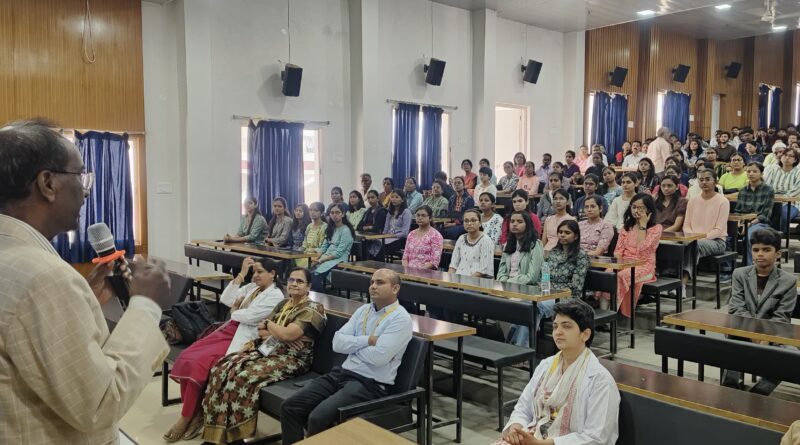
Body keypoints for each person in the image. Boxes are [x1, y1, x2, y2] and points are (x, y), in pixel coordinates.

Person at [0, 119, 170, 443]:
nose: (86, 190)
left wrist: (85, 296)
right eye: (81, 176)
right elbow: (101, 403)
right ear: (47, 184)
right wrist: (146, 306)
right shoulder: (44, 279)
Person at [281, 269, 412, 444]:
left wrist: (352, 346)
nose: (373, 286)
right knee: (290, 406)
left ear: (395, 288)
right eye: (372, 282)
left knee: (318, 417)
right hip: (342, 373)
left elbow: (379, 357)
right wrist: (368, 341)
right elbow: (337, 344)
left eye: (380, 283)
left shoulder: (400, 319)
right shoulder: (364, 310)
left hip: (370, 383)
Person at [165, 257, 285, 442]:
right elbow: (226, 299)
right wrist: (242, 274)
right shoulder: (253, 288)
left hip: (242, 336)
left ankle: (186, 418)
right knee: (188, 356)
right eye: (254, 272)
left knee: (199, 363)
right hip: (229, 329)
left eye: (260, 272)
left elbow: (251, 316)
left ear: (273, 274)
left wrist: (235, 310)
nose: (256, 276)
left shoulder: (276, 295)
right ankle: (194, 413)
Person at [201, 267, 326, 443]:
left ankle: (238, 436)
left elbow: (287, 334)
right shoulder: (283, 304)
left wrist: (271, 326)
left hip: (293, 359)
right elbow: (262, 331)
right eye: (291, 280)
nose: (294, 284)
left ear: (309, 286)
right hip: (268, 350)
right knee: (223, 366)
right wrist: (279, 332)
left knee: (243, 377)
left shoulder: (313, 308)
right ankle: (218, 432)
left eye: (300, 281)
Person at [498, 300, 620, 445]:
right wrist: (515, 428)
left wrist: (543, 444)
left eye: (566, 326)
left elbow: (596, 438)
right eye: (555, 326)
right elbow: (523, 408)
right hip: (533, 436)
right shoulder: (546, 366)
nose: (558, 332)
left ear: (585, 334)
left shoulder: (600, 380)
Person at [722, 228, 797, 395]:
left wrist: (765, 338)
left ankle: (759, 394)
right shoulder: (740, 274)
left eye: (766, 249)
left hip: (773, 335)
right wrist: (754, 334)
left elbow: (782, 316)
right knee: (732, 344)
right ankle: (730, 389)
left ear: (777, 254)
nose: (760, 254)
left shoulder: (788, 281)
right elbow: (736, 308)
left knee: (791, 356)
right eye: (756, 250)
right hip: (742, 330)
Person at [602, 193, 662, 316]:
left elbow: (641, 250)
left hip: (644, 266)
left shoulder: (656, 228)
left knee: (620, 276)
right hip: (624, 263)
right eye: (634, 207)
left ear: (649, 210)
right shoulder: (627, 226)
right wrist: (618, 266)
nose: (636, 211)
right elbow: (618, 251)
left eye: (641, 208)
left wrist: (642, 225)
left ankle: (611, 314)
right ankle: (602, 315)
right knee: (607, 274)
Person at [500, 211, 546, 347]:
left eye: (519, 222)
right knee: (492, 303)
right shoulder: (509, 243)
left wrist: (509, 282)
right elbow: (501, 271)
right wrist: (504, 281)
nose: (515, 224)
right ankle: (508, 344)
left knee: (524, 308)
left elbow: (532, 276)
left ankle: (521, 348)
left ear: (528, 224)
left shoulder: (535, 244)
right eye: (513, 221)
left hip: (528, 289)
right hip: (508, 287)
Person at [681, 169, 729, 290]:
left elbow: (718, 229)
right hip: (693, 239)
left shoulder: (723, 201)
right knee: (671, 246)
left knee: (694, 246)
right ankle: (670, 279)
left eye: (708, 179)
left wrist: (696, 239)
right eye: (701, 180)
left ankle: (682, 283)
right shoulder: (693, 200)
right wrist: (691, 237)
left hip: (716, 241)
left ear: (715, 181)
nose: (704, 182)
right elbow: (686, 224)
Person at [735, 162, 775, 265]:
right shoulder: (743, 190)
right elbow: (738, 210)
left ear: (761, 174)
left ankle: (751, 267)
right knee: (725, 235)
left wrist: (750, 224)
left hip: (760, 223)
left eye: (755, 171)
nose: (751, 174)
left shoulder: (768, 190)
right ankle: (727, 269)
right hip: (744, 222)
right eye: (748, 171)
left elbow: (765, 215)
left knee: (751, 235)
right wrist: (740, 222)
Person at [311, 203, 355, 291]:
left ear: (342, 214)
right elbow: (323, 247)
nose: (334, 215)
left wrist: (320, 260)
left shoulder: (346, 230)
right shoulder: (331, 228)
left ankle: (323, 299)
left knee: (314, 278)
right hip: (326, 257)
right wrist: (316, 258)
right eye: (332, 213)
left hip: (338, 259)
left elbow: (338, 253)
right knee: (307, 275)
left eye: (337, 212)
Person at [448, 208, 496, 278]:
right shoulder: (461, 238)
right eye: (466, 221)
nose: (469, 224)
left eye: (473, 220)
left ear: (480, 223)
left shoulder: (486, 241)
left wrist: (464, 283)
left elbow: (483, 270)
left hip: (477, 282)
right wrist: (450, 280)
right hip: (458, 280)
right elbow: (453, 265)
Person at [548, 220, 590, 298]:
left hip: (568, 297)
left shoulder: (581, 255)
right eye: (560, 232)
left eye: (567, 233)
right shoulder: (553, 252)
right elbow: (544, 275)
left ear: (576, 236)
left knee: (539, 306)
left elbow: (576, 286)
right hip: (548, 293)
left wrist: (554, 291)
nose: (562, 235)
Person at [764, 147, 800, 231]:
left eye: (790, 156)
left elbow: (798, 189)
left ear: (795, 160)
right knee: (762, 215)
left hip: (791, 203)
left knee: (783, 216)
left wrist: (782, 198)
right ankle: (764, 237)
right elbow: (766, 186)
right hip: (771, 201)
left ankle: (775, 237)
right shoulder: (772, 169)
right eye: (785, 155)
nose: (787, 158)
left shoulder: (798, 172)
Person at [402, 205, 444, 270]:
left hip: (426, 272)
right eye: (418, 215)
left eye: (423, 215)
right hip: (409, 271)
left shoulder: (436, 235)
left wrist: (418, 271)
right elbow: (405, 257)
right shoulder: (411, 234)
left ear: (430, 218)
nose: (420, 218)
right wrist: (407, 270)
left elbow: (434, 261)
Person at [541, 189, 576, 253]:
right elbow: (544, 240)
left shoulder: (572, 220)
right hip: (546, 251)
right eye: (555, 199)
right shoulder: (548, 219)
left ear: (567, 202)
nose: (558, 201)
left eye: (561, 199)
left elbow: (572, 242)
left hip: (562, 253)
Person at [357, 190, 389, 258]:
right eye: (368, 198)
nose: (370, 200)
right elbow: (359, 226)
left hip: (377, 237)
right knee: (356, 244)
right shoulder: (367, 211)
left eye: (372, 197)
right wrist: (369, 227)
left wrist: (366, 227)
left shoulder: (382, 211)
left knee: (362, 244)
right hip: (366, 236)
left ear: (377, 198)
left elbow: (376, 228)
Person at [383, 189, 413, 257]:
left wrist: (391, 236)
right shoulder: (390, 212)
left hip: (400, 240)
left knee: (381, 247)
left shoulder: (406, 212)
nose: (394, 199)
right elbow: (386, 229)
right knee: (374, 243)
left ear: (402, 200)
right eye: (392, 197)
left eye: (396, 197)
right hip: (388, 238)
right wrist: (383, 236)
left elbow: (405, 233)